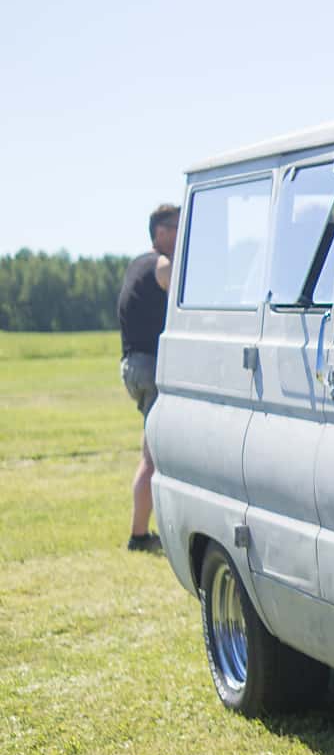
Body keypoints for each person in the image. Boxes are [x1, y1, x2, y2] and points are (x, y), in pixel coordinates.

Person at [118, 203, 177, 553]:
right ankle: (141, 537)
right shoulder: (163, 265)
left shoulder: (137, 264)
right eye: (177, 225)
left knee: (148, 452)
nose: (183, 232)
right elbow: (187, 292)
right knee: (154, 457)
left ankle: (141, 534)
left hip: (133, 365)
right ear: (160, 232)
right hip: (151, 367)